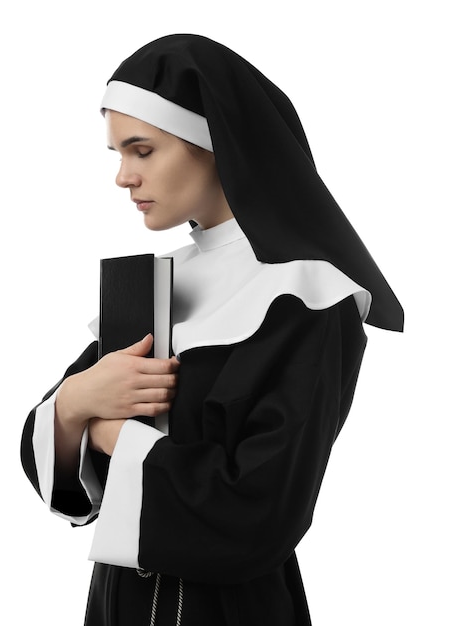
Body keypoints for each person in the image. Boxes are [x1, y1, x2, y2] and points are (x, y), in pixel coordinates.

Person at [21, 34, 403, 626]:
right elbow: (54, 448)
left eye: (142, 150)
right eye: (118, 154)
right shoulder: (151, 285)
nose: (123, 177)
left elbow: (262, 512)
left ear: (213, 143)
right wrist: (74, 403)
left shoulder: (309, 297)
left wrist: (111, 436)